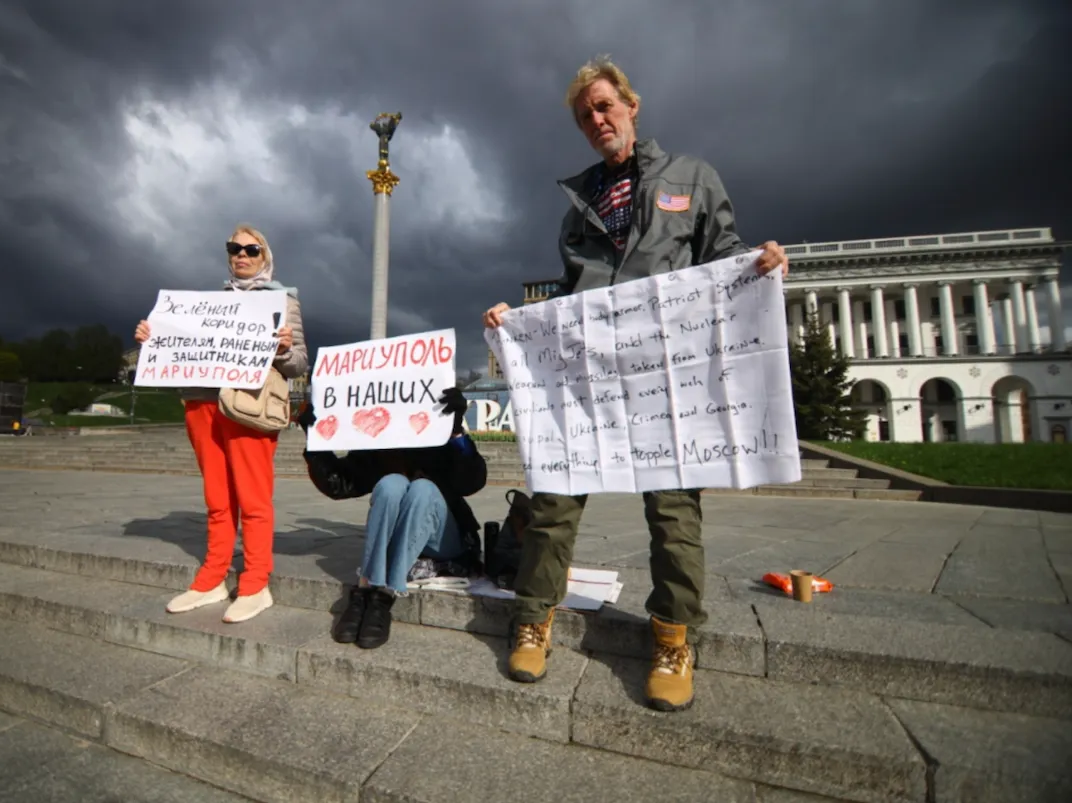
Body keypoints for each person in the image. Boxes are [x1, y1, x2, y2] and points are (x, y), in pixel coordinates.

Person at [482, 56, 789, 712]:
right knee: (554, 500)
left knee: (674, 513)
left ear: (631, 104)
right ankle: (533, 619)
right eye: (584, 115)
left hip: (666, 380)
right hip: (592, 377)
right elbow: (569, 297)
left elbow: (723, 261)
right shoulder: (579, 204)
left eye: (604, 106)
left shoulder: (692, 178)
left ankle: (674, 638)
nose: (597, 120)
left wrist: (762, 266)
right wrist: (519, 323)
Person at [134, 224, 309, 623]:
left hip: (248, 404)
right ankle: (212, 577)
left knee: (253, 497)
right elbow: (176, 346)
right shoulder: (205, 303)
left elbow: (300, 363)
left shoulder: (282, 301)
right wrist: (152, 338)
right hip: (202, 403)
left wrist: (282, 349)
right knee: (217, 497)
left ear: (266, 257)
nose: (242, 255)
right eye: (234, 248)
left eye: (252, 249)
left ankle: (255, 583)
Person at [297, 388, 486, 649]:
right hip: (398, 531)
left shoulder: (438, 432)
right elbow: (339, 483)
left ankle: (384, 593)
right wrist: (314, 439)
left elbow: (472, 481)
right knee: (390, 484)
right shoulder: (381, 441)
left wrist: (455, 433)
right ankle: (366, 589)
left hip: (443, 537)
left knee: (422, 488)